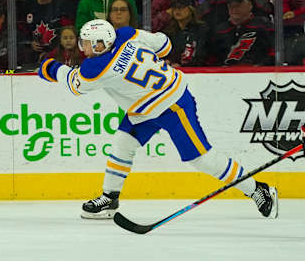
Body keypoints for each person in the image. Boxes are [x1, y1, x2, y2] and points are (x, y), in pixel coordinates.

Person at [37, 18, 278, 220]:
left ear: (101, 44)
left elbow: (74, 83)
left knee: (202, 159)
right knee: (124, 142)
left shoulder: (96, 68)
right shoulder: (127, 34)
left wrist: (49, 67)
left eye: (87, 43)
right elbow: (164, 45)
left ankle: (258, 190)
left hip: (173, 106)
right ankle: (110, 199)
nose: (83, 47)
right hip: (144, 107)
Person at [18, 0, 74, 66]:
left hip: (59, 57)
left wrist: (52, 54)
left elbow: (68, 34)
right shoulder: (25, 6)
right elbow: (20, 33)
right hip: (31, 58)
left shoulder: (64, 6)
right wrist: (29, 43)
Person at [210, 0, 275, 66]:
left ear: (250, 5)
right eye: (231, 5)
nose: (234, 8)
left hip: (257, 73)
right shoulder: (220, 30)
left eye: (238, 5)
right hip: (224, 74)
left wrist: (260, 66)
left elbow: (275, 52)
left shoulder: (263, 25)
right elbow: (211, 58)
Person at [163, 0, 209, 67]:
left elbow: (202, 56)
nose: (177, 10)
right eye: (175, 8)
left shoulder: (202, 29)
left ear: (191, 9)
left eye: (181, 7)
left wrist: (182, 65)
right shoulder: (169, 32)